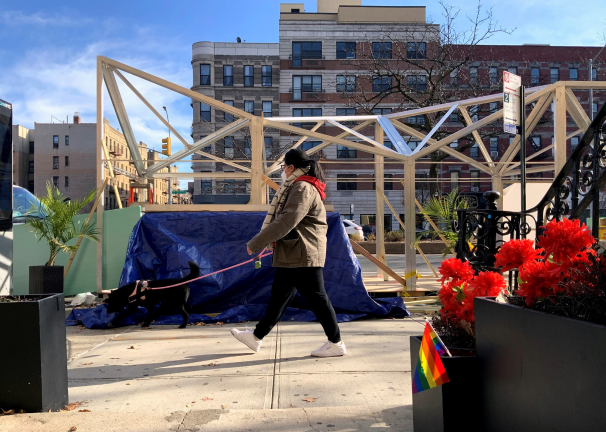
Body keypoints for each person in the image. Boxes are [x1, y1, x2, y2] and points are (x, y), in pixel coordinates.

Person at [230, 148, 346, 358]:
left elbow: (286, 220)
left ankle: (336, 342)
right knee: (280, 297)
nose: (283, 171)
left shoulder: (302, 187)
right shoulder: (299, 186)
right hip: (296, 252)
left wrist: (257, 243)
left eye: (283, 167)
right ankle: (256, 336)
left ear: (291, 167)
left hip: (302, 253)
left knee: (317, 298)